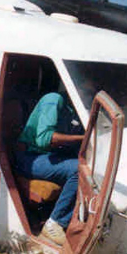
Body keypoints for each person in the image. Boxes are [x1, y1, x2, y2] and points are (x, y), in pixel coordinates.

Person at [15, 92, 83, 245]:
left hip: (48, 157)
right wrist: (83, 138)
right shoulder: (53, 99)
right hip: (29, 158)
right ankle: (55, 223)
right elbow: (45, 138)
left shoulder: (76, 110)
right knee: (79, 170)